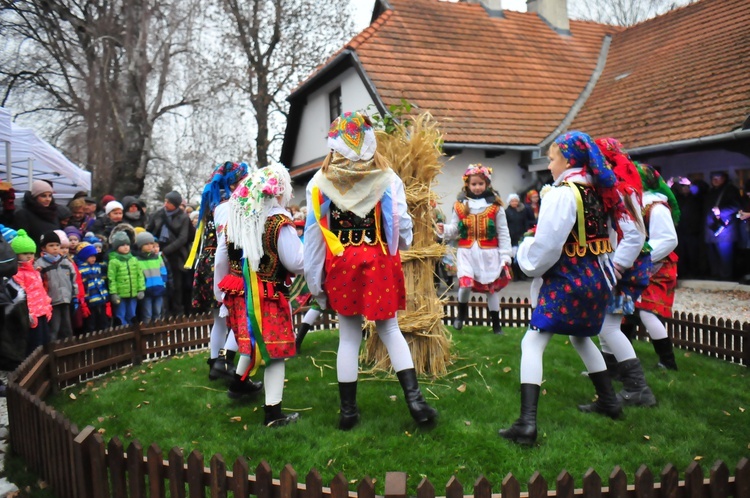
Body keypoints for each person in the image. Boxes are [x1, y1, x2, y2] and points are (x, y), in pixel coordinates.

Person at [305, 111, 438, 430]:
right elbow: (399, 223)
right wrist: (399, 247)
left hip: (342, 263)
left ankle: (348, 413)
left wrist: (314, 283)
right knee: (390, 330)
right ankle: (416, 402)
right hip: (378, 259)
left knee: (349, 338)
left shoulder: (320, 182)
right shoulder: (387, 177)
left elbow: (313, 236)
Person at [499, 131, 623, 446]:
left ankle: (527, 423)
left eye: (552, 159)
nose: (550, 166)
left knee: (532, 344)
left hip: (569, 279)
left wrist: (525, 255)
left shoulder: (564, 192)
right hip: (596, 276)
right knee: (581, 337)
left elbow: (548, 245)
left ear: (568, 160)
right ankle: (609, 401)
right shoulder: (596, 191)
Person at [220, 164, 304, 427]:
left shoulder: (236, 220)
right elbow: (296, 262)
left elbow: (223, 257)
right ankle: (273, 414)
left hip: (240, 293)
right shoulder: (278, 222)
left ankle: (238, 384)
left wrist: (218, 294)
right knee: (274, 355)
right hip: (267, 295)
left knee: (251, 342)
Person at [592, 138, 655, 407]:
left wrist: (616, 267)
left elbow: (634, 235)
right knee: (608, 325)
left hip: (625, 266)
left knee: (608, 327)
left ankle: (637, 388)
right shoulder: (618, 188)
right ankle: (616, 373)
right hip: (623, 264)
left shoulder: (621, 190)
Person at [187, 161, 249, 381]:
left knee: (220, 319)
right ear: (234, 184)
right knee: (236, 315)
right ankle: (226, 361)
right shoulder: (230, 205)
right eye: (244, 179)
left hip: (207, 261)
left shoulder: (211, 201)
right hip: (223, 263)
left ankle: (216, 364)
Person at [437, 164, 512, 335]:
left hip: (489, 254)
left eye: (480, 184)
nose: (477, 187)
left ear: (486, 184)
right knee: (465, 285)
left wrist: (505, 256)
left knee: (491, 290)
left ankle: (496, 324)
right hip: (466, 253)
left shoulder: (496, 207)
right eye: (474, 184)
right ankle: (461, 314)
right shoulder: (460, 206)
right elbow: (455, 229)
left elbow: (503, 233)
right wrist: (444, 229)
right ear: (467, 185)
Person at [634, 163, 680, 370]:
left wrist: (643, 259)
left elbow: (668, 239)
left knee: (646, 311)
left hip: (657, 265)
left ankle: (668, 361)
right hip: (642, 263)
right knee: (626, 312)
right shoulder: (640, 204)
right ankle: (616, 362)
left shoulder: (657, 207)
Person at [146, 191, 190, 316]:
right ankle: (163, 312)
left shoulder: (183, 217)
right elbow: (150, 230)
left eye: (169, 202)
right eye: (165, 201)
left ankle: (177, 310)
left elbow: (183, 238)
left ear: (175, 204)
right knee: (160, 282)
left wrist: (165, 251)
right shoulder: (158, 214)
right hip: (156, 251)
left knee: (176, 284)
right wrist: (153, 246)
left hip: (175, 254)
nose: (166, 204)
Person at [11, 229, 52, 354]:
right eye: (24, 253)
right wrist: (28, 313)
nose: (29, 256)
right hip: (31, 315)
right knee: (34, 346)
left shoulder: (35, 272)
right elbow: (21, 295)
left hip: (42, 313)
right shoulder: (17, 273)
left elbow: (41, 291)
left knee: (46, 342)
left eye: (31, 253)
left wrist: (47, 306)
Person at [34, 231, 76, 341]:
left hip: (65, 298)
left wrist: (74, 294)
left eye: (57, 245)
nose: (55, 248)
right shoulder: (40, 264)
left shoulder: (66, 262)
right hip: (51, 301)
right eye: (51, 245)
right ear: (43, 248)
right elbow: (38, 283)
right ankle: (53, 353)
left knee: (67, 327)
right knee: (54, 328)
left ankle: (70, 350)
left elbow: (73, 278)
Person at [703, 171, 742, 281]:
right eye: (713, 178)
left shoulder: (730, 190)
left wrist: (722, 211)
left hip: (725, 230)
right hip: (712, 229)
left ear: (724, 178)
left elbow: (737, 205)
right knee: (713, 256)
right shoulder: (711, 191)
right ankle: (716, 277)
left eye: (718, 178)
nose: (715, 180)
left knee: (725, 257)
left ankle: (725, 279)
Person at [107, 231, 145, 326]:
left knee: (132, 314)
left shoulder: (133, 259)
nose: (126, 247)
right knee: (121, 315)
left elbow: (140, 275)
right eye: (122, 245)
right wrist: (114, 293)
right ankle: (123, 334)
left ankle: (134, 335)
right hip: (120, 294)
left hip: (133, 293)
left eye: (127, 244)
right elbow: (111, 279)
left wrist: (141, 289)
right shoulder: (113, 261)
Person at [11, 180, 61, 246]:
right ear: (35, 197)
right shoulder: (23, 214)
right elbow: (23, 239)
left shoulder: (53, 212)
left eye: (50, 195)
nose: (48, 199)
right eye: (43, 196)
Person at [75, 243, 110, 332]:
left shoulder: (98, 267)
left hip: (101, 298)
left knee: (103, 321)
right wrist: (84, 300)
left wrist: (106, 296)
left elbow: (102, 281)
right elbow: (81, 285)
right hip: (89, 300)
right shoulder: (80, 269)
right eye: (91, 256)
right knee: (91, 323)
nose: (93, 258)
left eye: (94, 256)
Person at [134, 231, 167, 324]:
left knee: (158, 312)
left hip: (158, 287)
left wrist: (163, 282)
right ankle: (148, 333)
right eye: (146, 244)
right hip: (146, 289)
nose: (149, 246)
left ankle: (158, 332)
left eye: (151, 244)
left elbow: (163, 270)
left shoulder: (157, 257)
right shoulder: (136, 259)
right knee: (147, 314)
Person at [505, 193, 535, 281]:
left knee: (521, 255)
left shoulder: (522, 211)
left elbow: (525, 221)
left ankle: (523, 275)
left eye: (516, 201)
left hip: (521, 235)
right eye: (512, 201)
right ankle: (516, 275)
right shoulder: (507, 212)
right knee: (514, 257)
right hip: (512, 236)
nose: (514, 203)